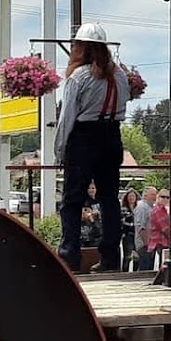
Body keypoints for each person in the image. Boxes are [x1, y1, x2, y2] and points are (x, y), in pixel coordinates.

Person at [53, 22, 129, 273]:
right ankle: (110, 258)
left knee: (72, 201)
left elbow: (67, 117)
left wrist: (60, 150)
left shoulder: (78, 77)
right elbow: (124, 105)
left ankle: (69, 258)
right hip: (112, 136)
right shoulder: (120, 75)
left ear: (79, 48)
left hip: (84, 137)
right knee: (109, 200)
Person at [133, 186, 157, 271]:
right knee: (145, 265)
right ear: (145, 195)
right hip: (144, 243)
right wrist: (146, 242)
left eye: (155, 194)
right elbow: (140, 226)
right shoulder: (142, 207)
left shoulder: (151, 207)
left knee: (150, 266)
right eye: (152, 194)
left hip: (152, 242)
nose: (155, 196)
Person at [147, 189, 171, 270]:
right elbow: (165, 228)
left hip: (161, 242)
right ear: (158, 197)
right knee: (163, 266)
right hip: (160, 241)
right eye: (162, 197)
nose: (165, 199)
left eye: (167, 197)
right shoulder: (158, 210)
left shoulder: (163, 210)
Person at [120, 189, 139, 269]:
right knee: (127, 256)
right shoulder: (123, 209)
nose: (131, 198)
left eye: (133, 196)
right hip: (128, 235)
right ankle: (125, 272)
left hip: (137, 235)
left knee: (137, 257)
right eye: (130, 196)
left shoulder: (139, 208)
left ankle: (136, 272)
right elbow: (123, 223)